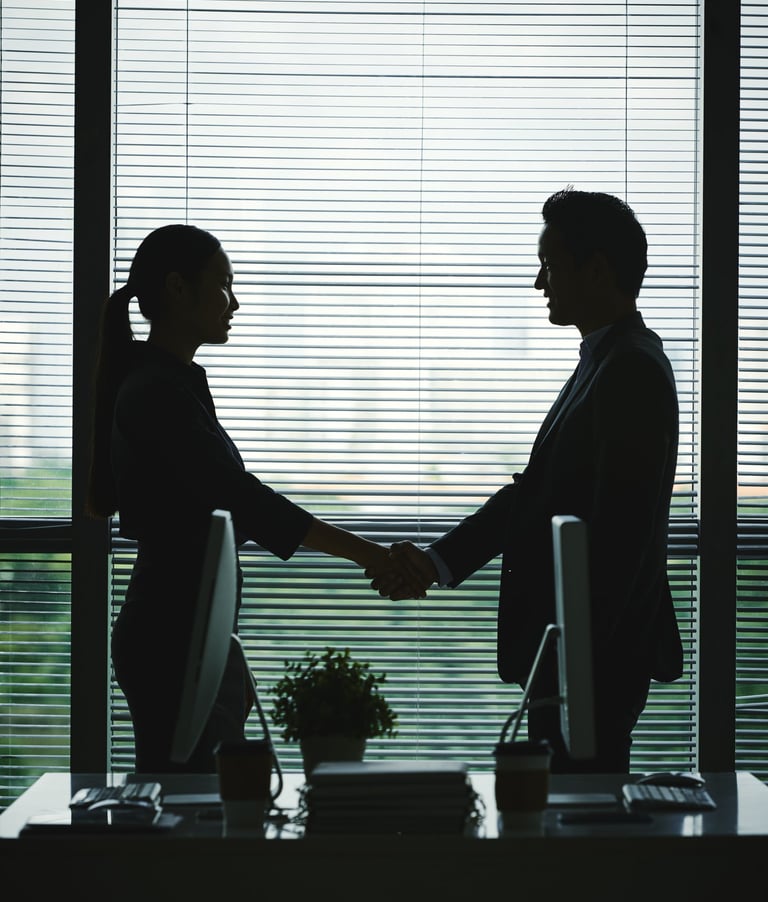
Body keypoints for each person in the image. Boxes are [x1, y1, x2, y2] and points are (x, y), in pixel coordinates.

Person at [370, 188, 683, 773]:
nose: (539, 283)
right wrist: (440, 562)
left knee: (578, 833)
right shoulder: (604, 361)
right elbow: (535, 494)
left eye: (550, 265)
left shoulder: (630, 368)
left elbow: (624, 533)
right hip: (575, 655)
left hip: (592, 659)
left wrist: (577, 671)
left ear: (595, 270)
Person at [86, 223, 417, 773]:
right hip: (173, 636)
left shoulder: (170, 386)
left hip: (188, 629)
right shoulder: (155, 394)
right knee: (189, 815)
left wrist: (227, 651)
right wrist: (372, 555)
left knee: (201, 808)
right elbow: (243, 501)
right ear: (177, 288)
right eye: (223, 283)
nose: (234, 301)